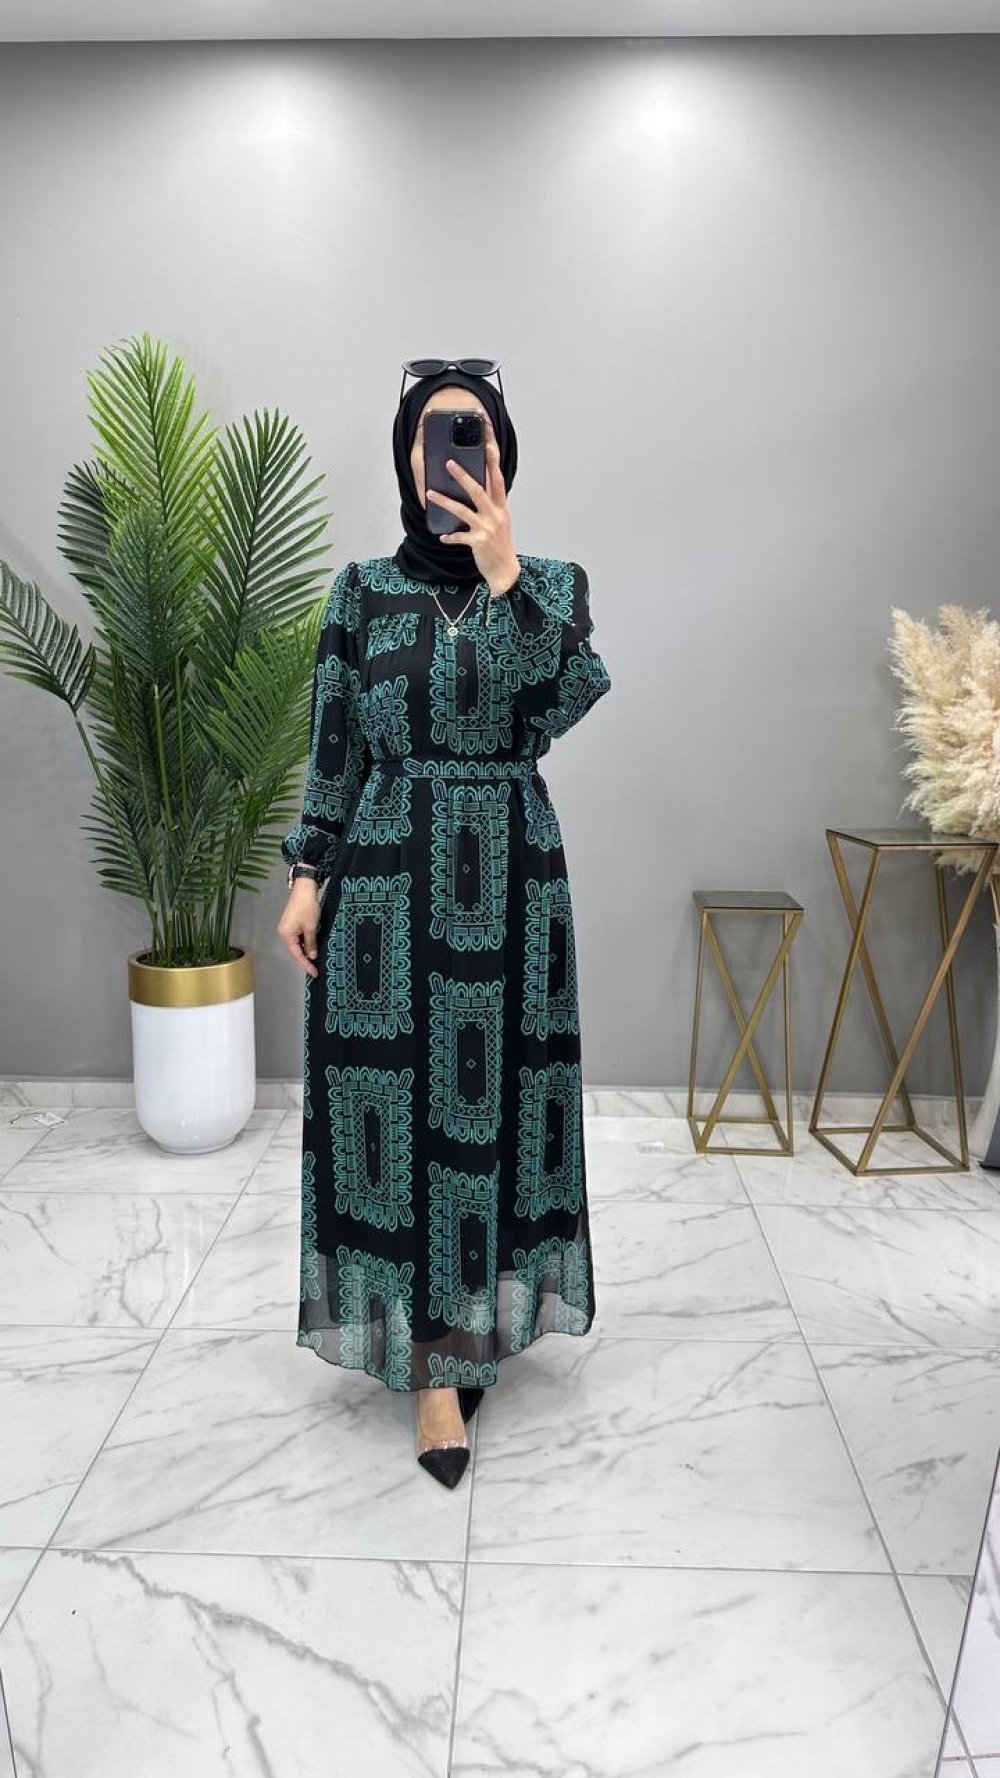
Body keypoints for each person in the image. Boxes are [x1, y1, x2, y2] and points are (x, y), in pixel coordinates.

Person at [276, 361, 612, 1488]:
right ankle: (431, 1362)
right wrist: (307, 873)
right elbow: (335, 743)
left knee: (492, 1112)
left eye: (475, 434)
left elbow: (562, 703)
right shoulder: (359, 592)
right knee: (395, 1120)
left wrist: (507, 578)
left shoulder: (552, 585)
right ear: (406, 459)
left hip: (512, 880)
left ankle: (464, 1337)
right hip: (383, 879)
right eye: (435, 435)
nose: (457, 454)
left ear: (503, 453)